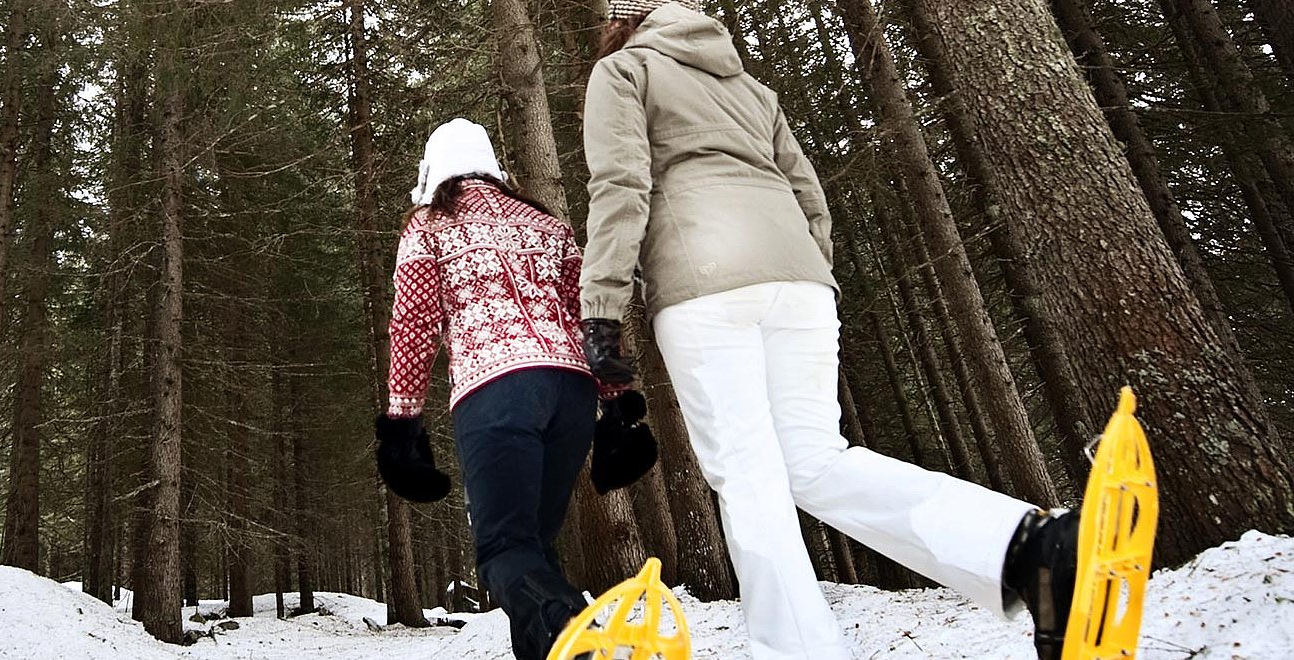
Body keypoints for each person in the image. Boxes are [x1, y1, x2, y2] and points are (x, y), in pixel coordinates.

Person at [577, 2, 1088, 659]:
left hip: (704, 280)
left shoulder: (622, 71)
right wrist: (804, 269)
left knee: (749, 477)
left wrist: (602, 307)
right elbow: (808, 194)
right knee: (815, 462)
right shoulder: (751, 88)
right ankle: (1027, 550)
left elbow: (620, 185)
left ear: (621, 20)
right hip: (802, 286)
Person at [374, 118, 658, 660]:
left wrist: (403, 424)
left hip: (495, 390)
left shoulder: (429, 225)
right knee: (532, 548)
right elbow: (593, 314)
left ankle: (576, 629)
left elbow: (413, 324)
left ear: (431, 171)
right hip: (571, 394)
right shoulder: (547, 225)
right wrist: (618, 405)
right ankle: (561, 644)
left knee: (502, 548)